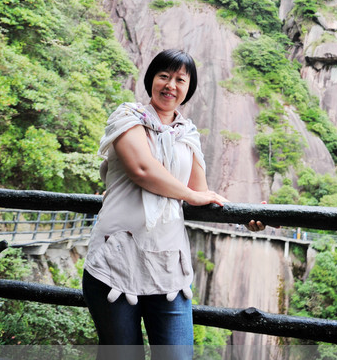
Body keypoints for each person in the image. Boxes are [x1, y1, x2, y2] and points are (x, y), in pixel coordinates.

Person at [82, 48, 263, 360]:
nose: (170, 85)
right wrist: (190, 196)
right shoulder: (127, 118)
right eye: (164, 76)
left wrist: (246, 217)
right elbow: (142, 170)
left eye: (180, 79)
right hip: (115, 263)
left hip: (168, 270)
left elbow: (201, 193)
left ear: (188, 89)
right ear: (151, 79)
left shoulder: (187, 136)